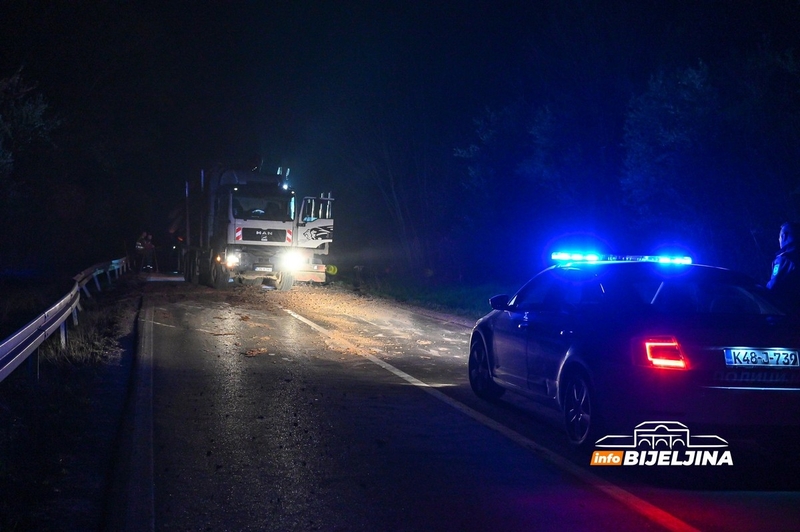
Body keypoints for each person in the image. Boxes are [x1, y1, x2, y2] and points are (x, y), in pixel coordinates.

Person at [767, 222, 800, 313]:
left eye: (779, 236)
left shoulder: (785, 259)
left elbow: (774, 285)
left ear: (784, 236)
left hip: (790, 312)